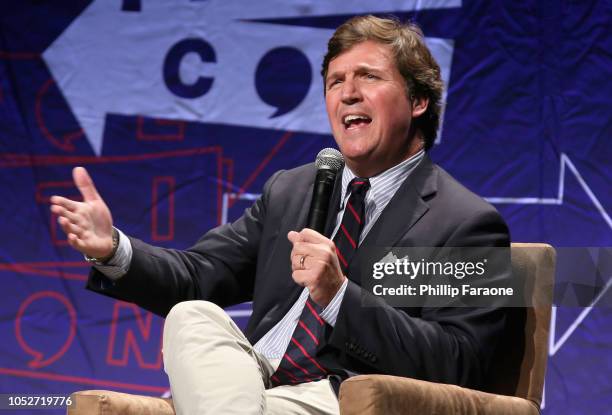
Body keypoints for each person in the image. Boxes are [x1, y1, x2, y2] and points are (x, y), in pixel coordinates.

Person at [50, 15, 513, 415]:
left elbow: (458, 361)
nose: (347, 93)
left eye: (369, 77)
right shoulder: (294, 189)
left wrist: (338, 296)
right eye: (335, 81)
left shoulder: (465, 222)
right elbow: (199, 275)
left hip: (340, 395)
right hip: (249, 386)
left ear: (417, 101)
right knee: (192, 314)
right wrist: (113, 249)